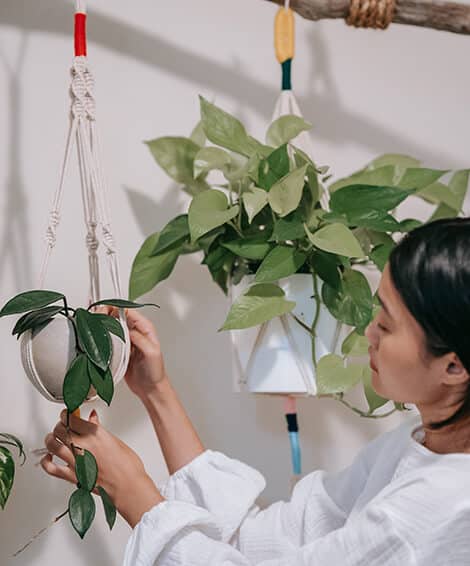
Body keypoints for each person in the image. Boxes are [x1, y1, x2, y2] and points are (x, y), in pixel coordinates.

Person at [41, 217, 470, 565]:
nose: (370, 330)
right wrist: (156, 392)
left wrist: (133, 489)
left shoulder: (439, 510)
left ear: (454, 365)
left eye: (389, 323)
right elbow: (264, 541)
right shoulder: (412, 444)